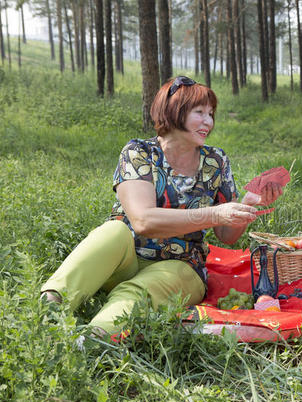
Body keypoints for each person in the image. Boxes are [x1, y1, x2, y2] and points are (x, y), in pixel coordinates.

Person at [40, 76, 282, 337]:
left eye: (211, 114)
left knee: (136, 292)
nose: (208, 122)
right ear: (174, 111)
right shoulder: (139, 153)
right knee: (113, 231)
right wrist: (214, 213)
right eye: (199, 112)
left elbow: (226, 236)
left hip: (181, 265)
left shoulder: (216, 161)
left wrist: (245, 206)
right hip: (127, 258)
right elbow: (143, 221)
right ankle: (48, 314)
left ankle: (91, 341)